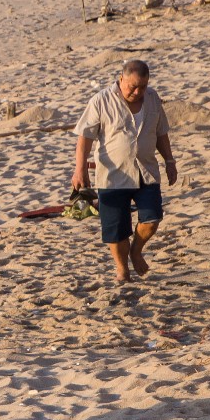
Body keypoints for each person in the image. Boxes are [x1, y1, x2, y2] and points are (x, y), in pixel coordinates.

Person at [73, 58, 177, 284]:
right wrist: (80, 169)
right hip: (112, 175)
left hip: (146, 170)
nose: (137, 92)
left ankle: (136, 251)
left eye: (143, 86)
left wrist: (169, 161)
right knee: (115, 228)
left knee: (152, 218)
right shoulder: (100, 100)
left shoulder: (152, 99)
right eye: (133, 86)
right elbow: (85, 137)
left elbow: (161, 133)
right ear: (121, 79)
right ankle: (122, 270)